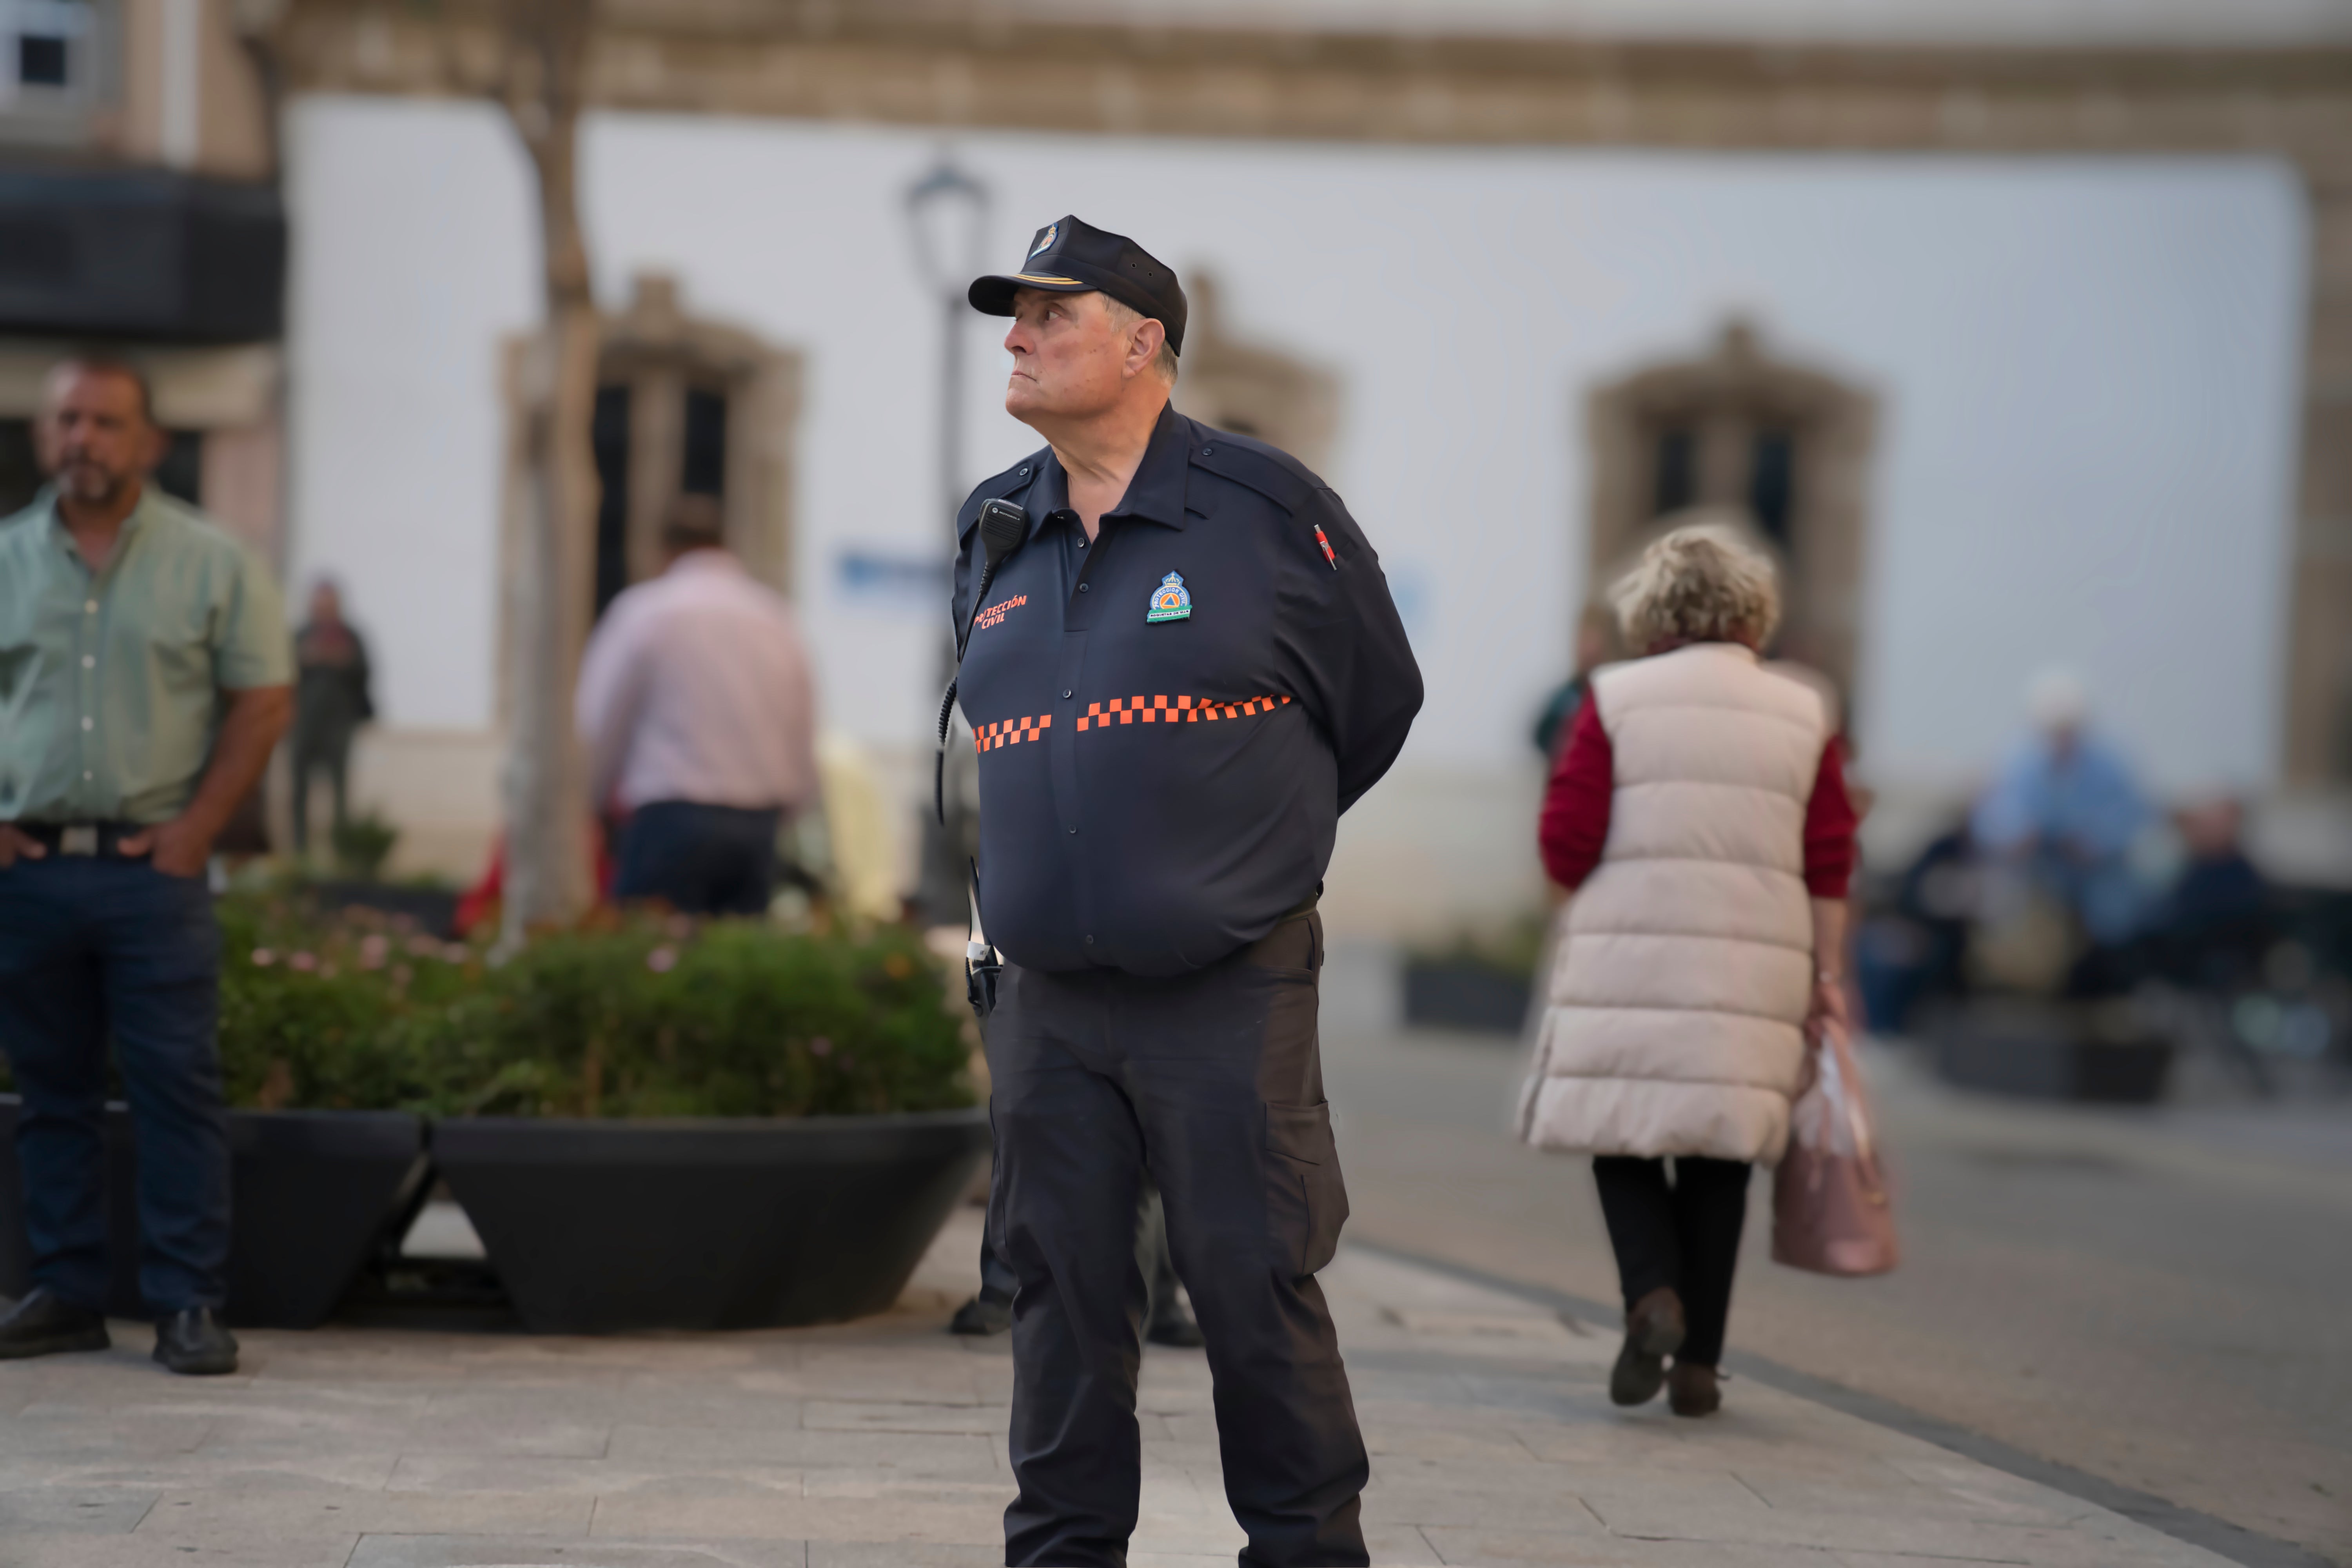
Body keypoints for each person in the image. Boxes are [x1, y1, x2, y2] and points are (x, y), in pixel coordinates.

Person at [954, 216, 1422, 1567]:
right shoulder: (996, 521)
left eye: (1052, 316)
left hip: (1229, 990)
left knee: (1252, 1287)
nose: (1019, 338)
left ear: (1143, 341)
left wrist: (1237, 852)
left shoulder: (1270, 509)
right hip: (1046, 1001)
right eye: (1015, 316)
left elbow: (1375, 707)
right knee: (1059, 1298)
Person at [1520, 519, 1855, 1419]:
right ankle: (1700, 1363)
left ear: (1651, 609)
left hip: (1631, 951)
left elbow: (1566, 837)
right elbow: (1830, 851)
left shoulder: (1615, 696)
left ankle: (1651, 1295)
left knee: (1622, 1128)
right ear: (1754, 613)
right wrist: (1827, 971)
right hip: (1758, 962)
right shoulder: (1805, 708)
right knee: (1721, 1152)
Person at [0, 358, 293, 1375]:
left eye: (107, 422)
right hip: (26, 870)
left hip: (150, 874)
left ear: (149, 441)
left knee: (176, 1087)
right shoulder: (4, 560)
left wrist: (198, 828)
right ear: (46, 436)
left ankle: (187, 1304)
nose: (85, 438)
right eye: (68, 420)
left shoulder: (214, 561)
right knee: (50, 1092)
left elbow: (265, 695)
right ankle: (66, 1292)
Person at [575, 495, 817, 916]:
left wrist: (591, 800)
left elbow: (602, 720)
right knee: (736, 965)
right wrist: (796, 807)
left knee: (653, 956)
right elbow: (802, 723)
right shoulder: (776, 617)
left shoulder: (645, 611)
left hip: (670, 814)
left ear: (665, 550)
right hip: (756, 820)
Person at [1971, 668, 2150, 951]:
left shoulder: (2110, 763)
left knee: (2113, 914)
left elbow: (2131, 816)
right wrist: (2016, 837)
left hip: (2097, 875)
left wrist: (2094, 843)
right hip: (2034, 874)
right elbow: (1991, 818)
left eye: (2068, 730)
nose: (2061, 739)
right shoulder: (2016, 761)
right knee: (2010, 912)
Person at [290, 577, 374, 858]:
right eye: (320, 605)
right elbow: (283, 675)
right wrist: (307, 658)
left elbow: (365, 673)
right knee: (299, 789)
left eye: (330, 605)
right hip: (303, 724)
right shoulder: (301, 636)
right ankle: (299, 851)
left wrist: (343, 660)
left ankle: (342, 852)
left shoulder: (351, 636)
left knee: (339, 791)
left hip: (338, 725)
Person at [1530, 604, 1615, 762]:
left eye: (1595, 640)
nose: (1590, 649)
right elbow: (1540, 738)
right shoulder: (1562, 700)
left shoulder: (1614, 696)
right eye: (1584, 639)